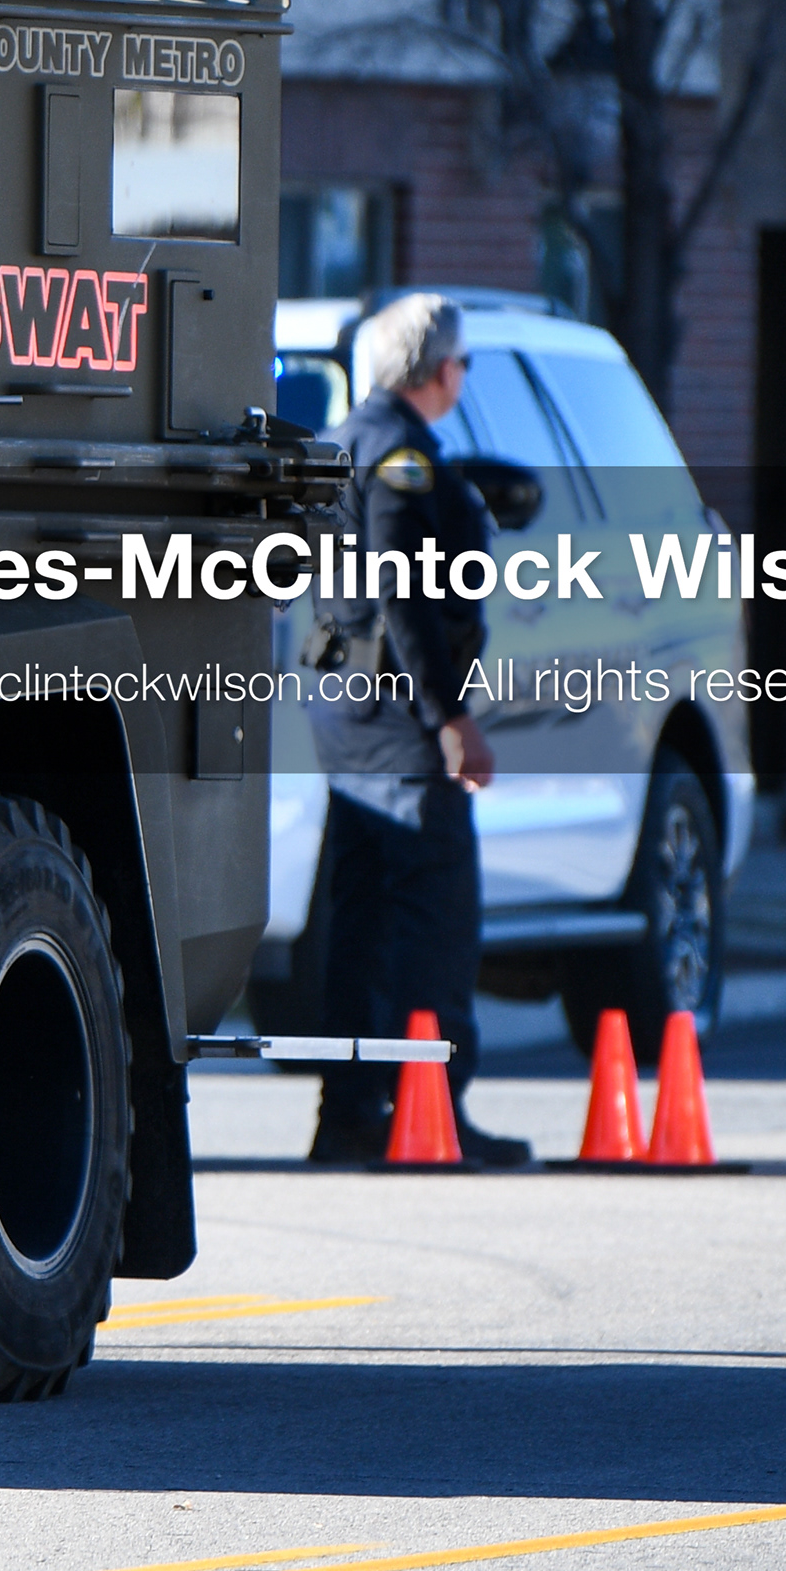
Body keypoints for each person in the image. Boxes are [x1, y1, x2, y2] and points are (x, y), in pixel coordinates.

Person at [304, 291, 529, 1165]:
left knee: (361, 922)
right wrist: (451, 721)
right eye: (464, 366)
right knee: (437, 917)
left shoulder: (344, 441)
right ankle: (431, 1110)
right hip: (399, 720)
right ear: (444, 370)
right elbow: (405, 593)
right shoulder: (402, 456)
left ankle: (352, 1111)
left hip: (346, 714)